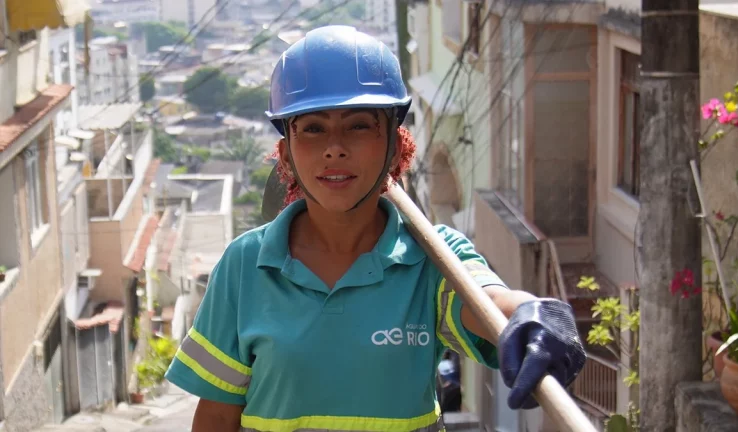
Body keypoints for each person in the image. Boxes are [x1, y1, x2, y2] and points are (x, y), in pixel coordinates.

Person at [164, 25, 586, 432]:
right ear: (286, 153)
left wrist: (532, 313)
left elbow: (490, 304)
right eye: (312, 128)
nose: (334, 147)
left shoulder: (433, 257)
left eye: (359, 124)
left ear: (394, 144)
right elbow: (217, 418)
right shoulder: (245, 265)